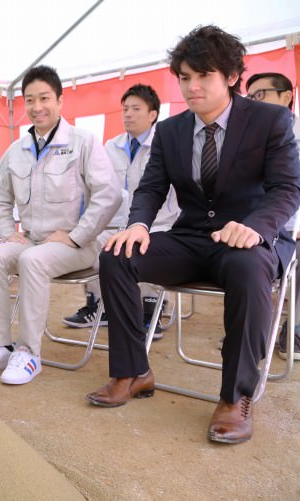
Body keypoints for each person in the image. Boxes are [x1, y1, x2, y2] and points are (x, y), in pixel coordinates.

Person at [87, 26, 300, 445]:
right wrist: (137, 225)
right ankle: (133, 372)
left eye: (203, 75)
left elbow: (287, 188)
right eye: (185, 77)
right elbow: (150, 188)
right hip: (191, 237)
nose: (192, 86)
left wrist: (255, 227)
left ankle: (236, 396)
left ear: (232, 77)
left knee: (246, 266)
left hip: (249, 238)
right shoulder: (170, 130)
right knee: (116, 255)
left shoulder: (271, 120)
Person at [0, 65, 121, 385]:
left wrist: (77, 235)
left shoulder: (83, 142)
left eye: (44, 98)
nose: (37, 107)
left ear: (60, 101)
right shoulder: (17, 150)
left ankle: (29, 353)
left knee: (31, 259)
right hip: (33, 240)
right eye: (30, 100)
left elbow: (109, 194)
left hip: (78, 247)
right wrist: (7, 233)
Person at [62, 84, 180, 339]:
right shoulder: (111, 146)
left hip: (161, 223)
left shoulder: (167, 144)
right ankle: (97, 305)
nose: (128, 114)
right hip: (119, 224)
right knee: (92, 243)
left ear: (153, 114)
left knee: (144, 245)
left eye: (136, 109)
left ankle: (151, 309)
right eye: (125, 109)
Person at [245, 72, 300, 361]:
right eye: (249, 97)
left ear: (287, 97)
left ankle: (294, 328)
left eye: (260, 94)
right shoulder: (251, 139)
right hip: (258, 227)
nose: (253, 103)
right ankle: (248, 327)